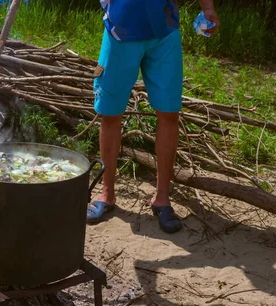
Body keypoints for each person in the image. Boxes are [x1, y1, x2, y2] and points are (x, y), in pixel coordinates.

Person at [86, 0, 220, 233]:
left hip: (164, 32)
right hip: (120, 31)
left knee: (169, 114)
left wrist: (208, 8)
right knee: (110, 114)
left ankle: (162, 198)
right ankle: (107, 193)